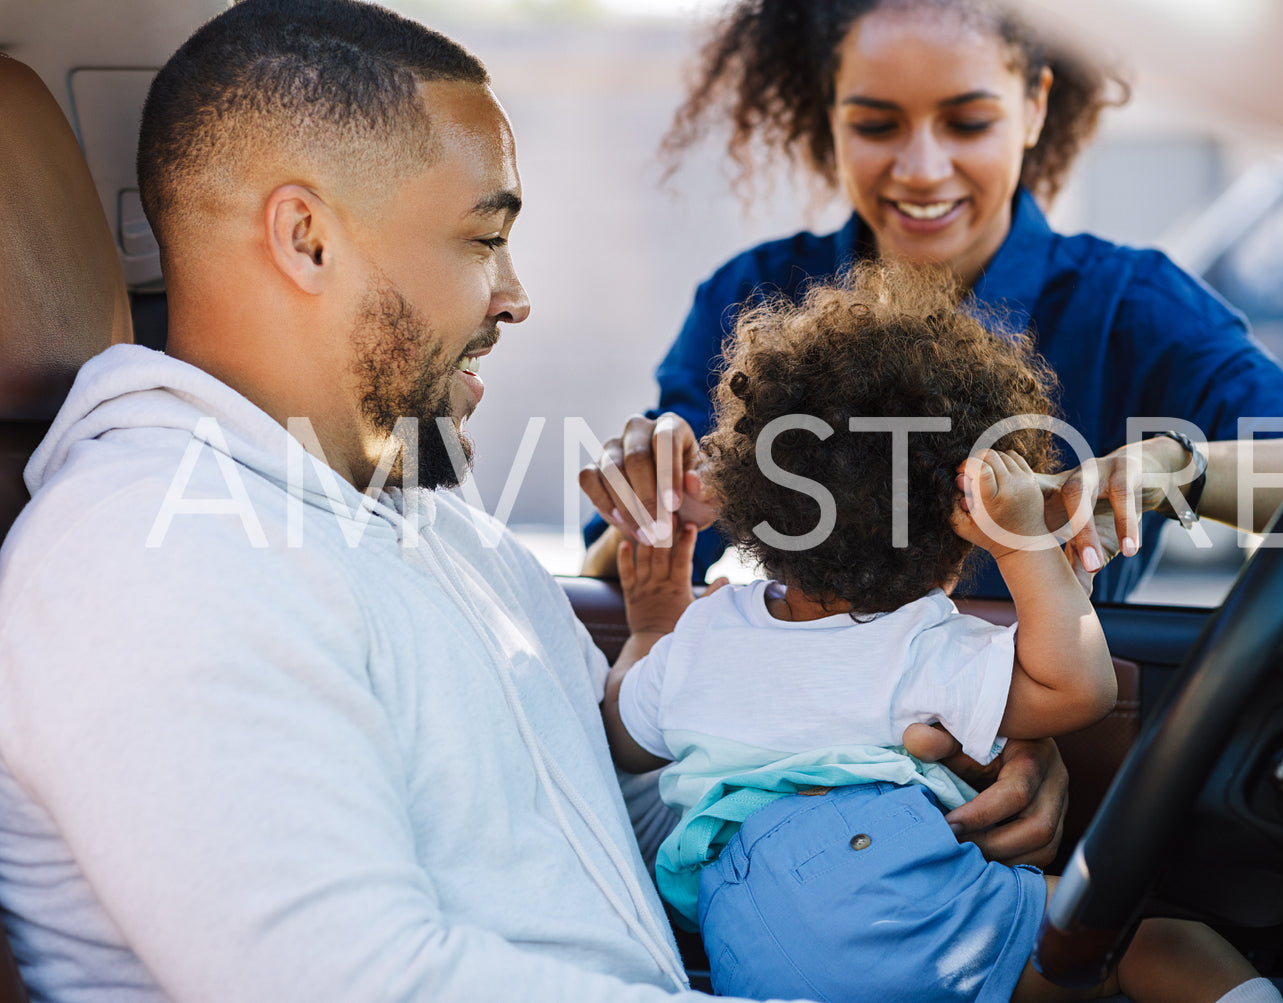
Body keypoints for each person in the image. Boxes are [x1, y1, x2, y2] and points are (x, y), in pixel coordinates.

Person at [0, 2, 803, 1000]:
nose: (513, 296)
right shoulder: (149, 556)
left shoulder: (441, 529)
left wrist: (900, 794)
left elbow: (597, 836)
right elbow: (357, 981)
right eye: (481, 238)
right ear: (307, 239)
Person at [578, 0, 1283, 867]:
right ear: (826, 112)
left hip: (1042, 802)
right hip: (788, 814)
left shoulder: (1131, 308)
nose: (921, 166)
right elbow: (622, 574)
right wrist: (649, 498)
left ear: (1034, 106)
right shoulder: (752, 295)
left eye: (967, 121)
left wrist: (1175, 467)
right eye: (874, 124)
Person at [599, 263, 1283, 1003]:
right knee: (1159, 944)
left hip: (746, 933)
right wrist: (1022, 543)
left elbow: (621, 733)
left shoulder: (706, 632)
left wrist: (653, 619)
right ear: (958, 542)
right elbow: (1078, 687)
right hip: (892, 895)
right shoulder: (921, 646)